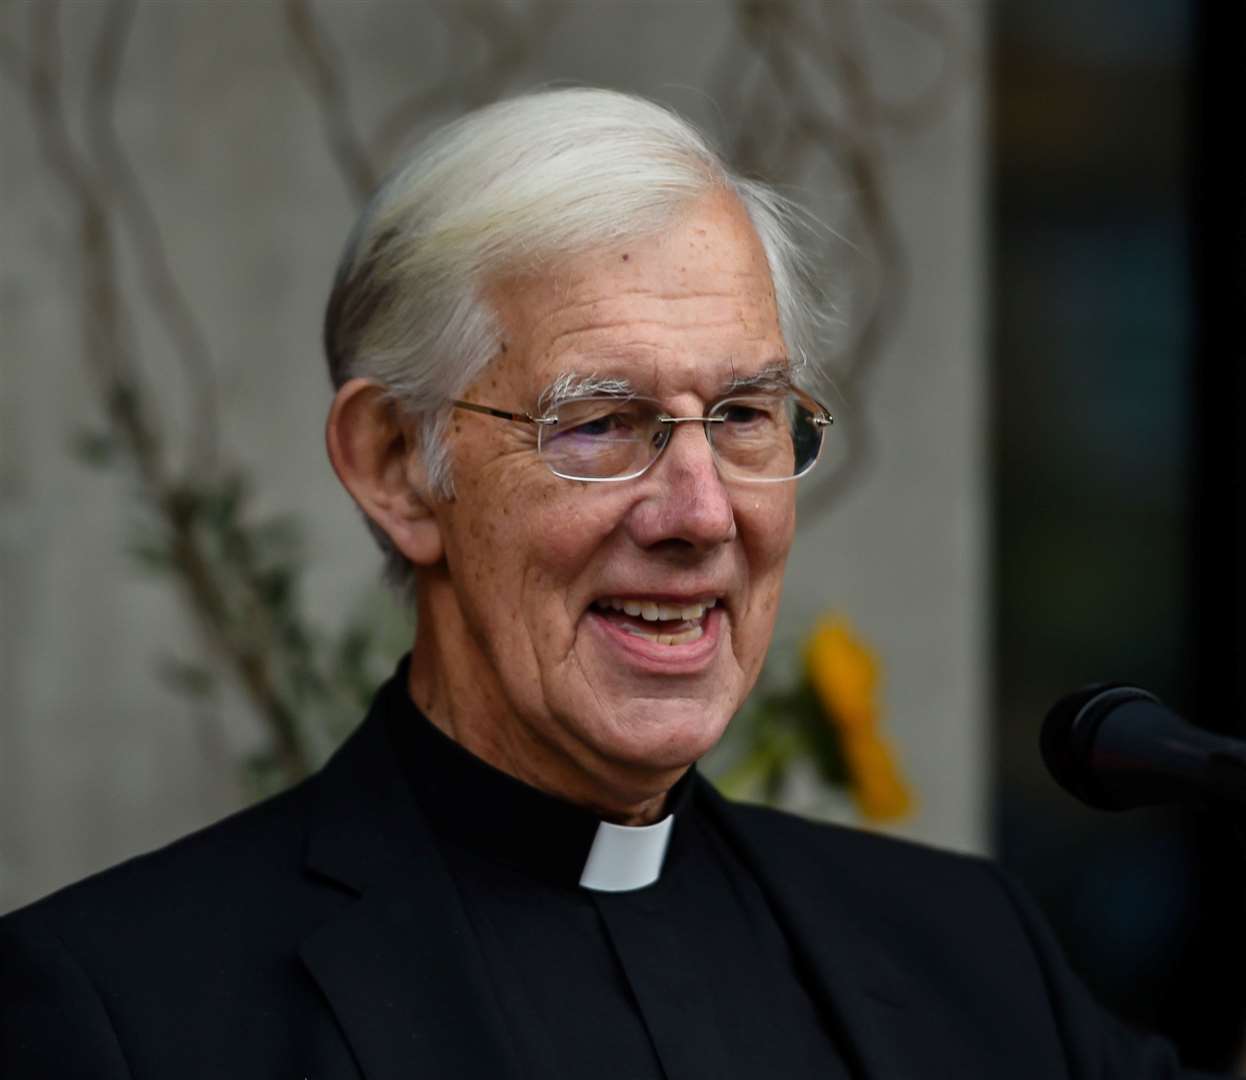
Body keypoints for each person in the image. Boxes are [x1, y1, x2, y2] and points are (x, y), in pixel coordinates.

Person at [0, 87, 1226, 1079]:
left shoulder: (971, 951)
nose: (701, 515)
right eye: (599, 422)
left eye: (743, 414)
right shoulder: (117, 1015)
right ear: (394, 467)